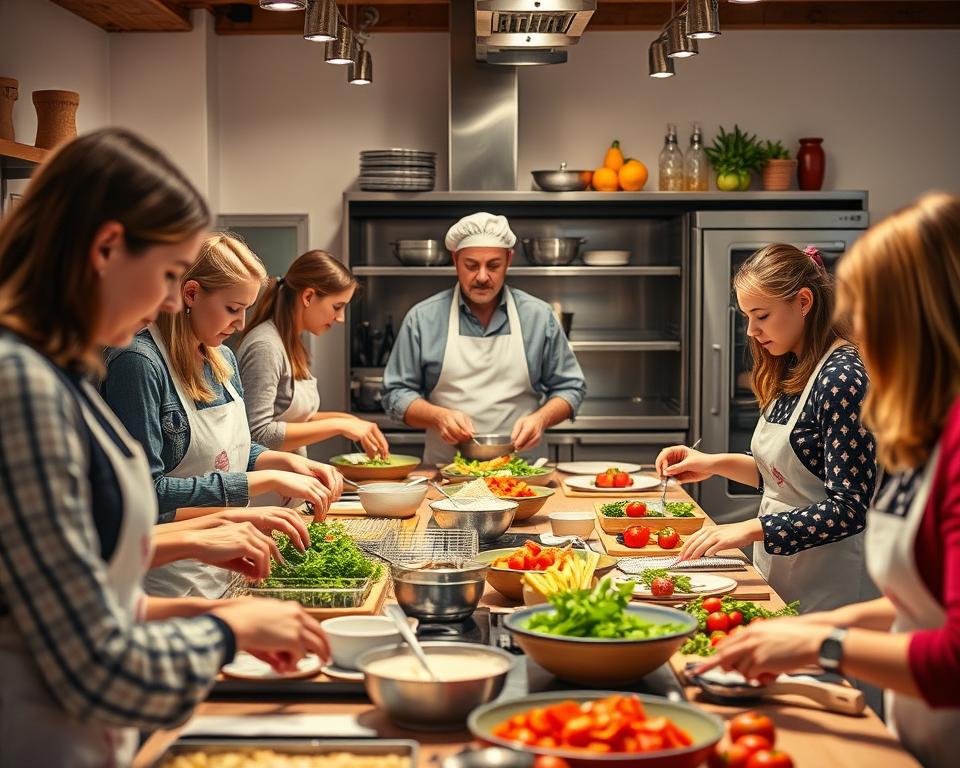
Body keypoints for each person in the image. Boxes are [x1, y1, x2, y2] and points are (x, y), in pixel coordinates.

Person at [0, 128, 328, 767]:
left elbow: (89, 596)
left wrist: (218, 615)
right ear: (106, 248)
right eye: (170, 275)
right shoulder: (22, 386)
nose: (170, 301)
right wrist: (226, 630)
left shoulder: (64, 374)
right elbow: (94, 664)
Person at [694, 193, 960, 768]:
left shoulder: (848, 378)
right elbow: (918, 607)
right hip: (912, 717)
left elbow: (850, 509)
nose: (860, 332)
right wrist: (811, 630)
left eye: (873, 312)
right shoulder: (927, 423)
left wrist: (819, 638)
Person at [102, 233, 344, 599]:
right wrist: (258, 484)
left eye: (246, 309)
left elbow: (232, 452)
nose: (242, 323)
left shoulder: (222, 359)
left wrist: (289, 465)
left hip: (229, 560)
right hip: (166, 580)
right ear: (192, 294)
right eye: (233, 309)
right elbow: (147, 495)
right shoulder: (138, 363)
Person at [656, 243, 878, 613]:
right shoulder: (795, 364)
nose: (751, 331)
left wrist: (750, 528)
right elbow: (785, 476)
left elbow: (851, 508)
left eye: (761, 315)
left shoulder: (841, 379)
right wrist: (709, 463)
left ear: (803, 302)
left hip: (832, 580)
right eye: (746, 316)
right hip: (785, 569)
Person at [382, 212, 586, 465]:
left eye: (493, 265)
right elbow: (395, 394)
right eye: (471, 265)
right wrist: (438, 417)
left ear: (509, 260)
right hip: (447, 470)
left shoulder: (538, 316)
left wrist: (540, 419)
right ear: (455, 260)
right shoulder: (423, 318)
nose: (481, 277)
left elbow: (571, 387)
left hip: (522, 471)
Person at [237, 250, 389, 471]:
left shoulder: (290, 342)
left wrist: (351, 421)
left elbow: (293, 419)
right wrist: (339, 425)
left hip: (289, 487)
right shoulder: (265, 346)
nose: (341, 318)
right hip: (265, 496)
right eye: (337, 306)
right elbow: (257, 436)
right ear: (308, 297)